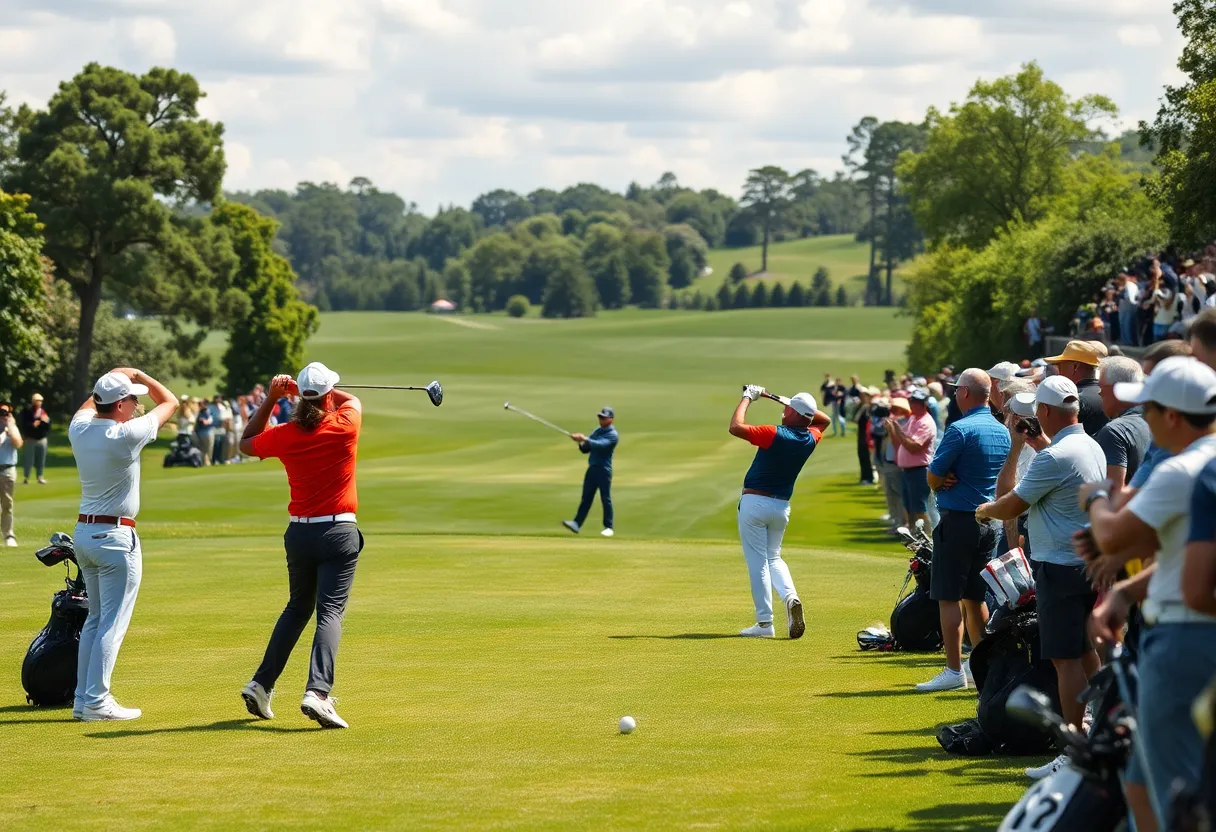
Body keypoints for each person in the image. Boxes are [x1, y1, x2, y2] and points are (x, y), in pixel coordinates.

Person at [1082, 356, 1216, 831]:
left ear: (1173, 416)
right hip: (1175, 623)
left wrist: (1095, 498)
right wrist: (1127, 590)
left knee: (1174, 796)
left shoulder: (1183, 469)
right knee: (1139, 785)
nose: (1146, 419)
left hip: (1183, 635)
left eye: (1151, 410)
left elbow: (1113, 536)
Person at [975, 377, 1106, 777]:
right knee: (1086, 654)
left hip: (1058, 569)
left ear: (1046, 412)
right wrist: (1036, 445)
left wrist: (984, 511)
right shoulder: (1089, 445)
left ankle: (1072, 751)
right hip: (1085, 565)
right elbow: (1060, 469)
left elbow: (1012, 503)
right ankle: (1098, 727)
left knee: (1064, 661)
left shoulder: (1055, 457)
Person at [238, 362, 364, 729]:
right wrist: (301, 389)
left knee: (297, 609)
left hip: (299, 534)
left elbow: (246, 443)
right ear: (327, 396)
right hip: (338, 532)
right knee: (330, 613)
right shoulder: (344, 425)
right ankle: (318, 693)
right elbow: (351, 399)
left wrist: (273, 397)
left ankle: (261, 685)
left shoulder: (287, 433)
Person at [69, 369, 177, 720]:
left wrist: (112, 375)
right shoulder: (127, 433)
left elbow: (91, 404)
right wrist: (138, 373)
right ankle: (97, 701)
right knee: (110, 624)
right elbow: (170, 402)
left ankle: (82, 700)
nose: (138, 403)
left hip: (84, 535)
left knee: (95, 619)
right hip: (116, 538)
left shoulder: (79, 429)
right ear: (119, 404)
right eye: (132, 399)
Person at [918, 369, 1011, 692]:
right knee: (975, 597)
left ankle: (954, 670)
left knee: (947, 597)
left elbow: (932, 476)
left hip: (958, 520)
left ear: (967, 393)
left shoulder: (959, 429)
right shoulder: (1002, 430)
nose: (955, 394)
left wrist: (942, 480)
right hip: (990, 523)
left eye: (958, 390)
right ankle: (981, 667)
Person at [729, 386, 830, 639]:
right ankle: (790, 596)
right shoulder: (810, 438)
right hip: (781, 507)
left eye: (787, 409)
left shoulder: (774, 433)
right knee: (774, 558)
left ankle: (764, 624)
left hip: (755, 504)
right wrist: (782, 400)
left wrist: (748, 398)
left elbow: (735, 426)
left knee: (758, 563)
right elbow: (823, 419)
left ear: (794, 413)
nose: (783, 411)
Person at [1095, 357, 1151, 491]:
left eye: (1101, 388)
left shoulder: (1114, 431)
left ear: (1116, 389)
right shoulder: (1156, 421)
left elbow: (1114, 494)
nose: (1099, 393)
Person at [562, 407, 619, 537]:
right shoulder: (597, 431)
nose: (601, 420)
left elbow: (601, 445)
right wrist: (579, 442)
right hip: (592, 468)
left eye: (604, 418)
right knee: (586, 498)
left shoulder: (613, 435)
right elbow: (586, 449)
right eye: (600, 417)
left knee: (605, 498)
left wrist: (584, 438)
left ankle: (609, 527)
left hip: (604, 470)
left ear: (611, 419)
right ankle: (577, 524)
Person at [887, 389, 937, 531]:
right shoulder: (913, 419)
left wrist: (899, 431)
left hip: (919, 471)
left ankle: (928, 539)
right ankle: (917, 537)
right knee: (909, 507)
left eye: (915, 402)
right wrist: (893, 430)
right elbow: (901, 443)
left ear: (923, 404)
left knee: (920, 508)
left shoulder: (926, 423)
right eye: (911, 401)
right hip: (908, 471)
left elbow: (914, 447)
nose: (912, 404)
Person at [1044, 340, 1110, 436]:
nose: (1059, 373)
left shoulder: (1073, 399)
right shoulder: (1108, 395)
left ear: (1075, 367)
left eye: (1060, 366)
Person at [874, 398, 906, 534]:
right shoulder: (890, 421)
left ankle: (902, 523)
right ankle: (895, 522)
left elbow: (899, 441)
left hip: (896, 464)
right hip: (887, 462)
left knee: (899, 495)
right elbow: (877, 431)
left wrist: (892, 428)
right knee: (890, 495)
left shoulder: (904, 423)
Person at [0, 402, 23, 547]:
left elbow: (18, 443)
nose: (3, 416)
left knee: (7, 504)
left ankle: (8, 534)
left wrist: (11, 427)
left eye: (6, 413)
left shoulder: (12, 428)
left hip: (8, 470)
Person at [18, 393, 50, 485]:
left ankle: (40, 476)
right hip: (30, 439)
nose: (39, 403)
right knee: (28, 459)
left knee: (41, 459)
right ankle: (26, 477)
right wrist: (32, 425)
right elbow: (23, 425)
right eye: (37, 401)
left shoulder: (43, 412)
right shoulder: (27, 412)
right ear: (33, 402)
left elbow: (48, 426)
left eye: (40, 401)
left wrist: (45, 422)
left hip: (42, 439)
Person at [855, 388, 876, 485]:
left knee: (866, 455)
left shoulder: (868, 408)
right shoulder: (861, 407)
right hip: (861, 433)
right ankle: (864, 476)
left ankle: (868, 477)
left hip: (866, 434)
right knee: (862, 455)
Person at [1119, 272, 1142, 347]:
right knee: (1124, 325)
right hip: (1126, 308)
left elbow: (1131, 299)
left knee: (1127, 325)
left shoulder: (1130, 286)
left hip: (1129, 309)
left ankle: (1128, 342)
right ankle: (1126, 341)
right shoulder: (1126, 285)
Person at [195, 400, 215, 466]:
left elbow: (209, 421)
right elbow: (204, 422)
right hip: (202, 433)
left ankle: (206, 461)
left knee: (207, 449)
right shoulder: (201, 413)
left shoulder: (207, 411)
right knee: (204, 449)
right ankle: (204, 462)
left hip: (207, 432)